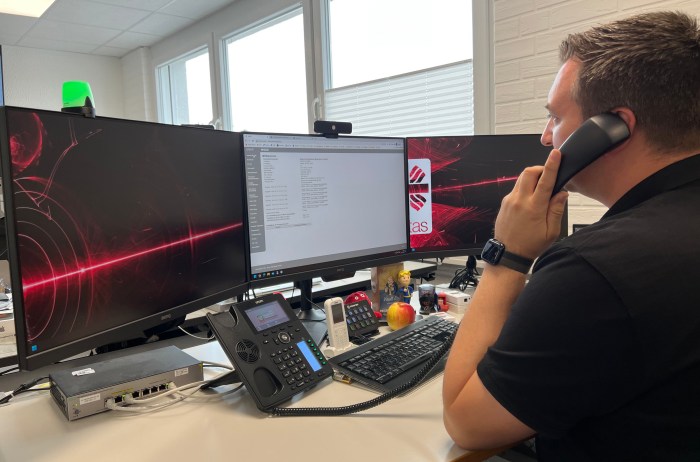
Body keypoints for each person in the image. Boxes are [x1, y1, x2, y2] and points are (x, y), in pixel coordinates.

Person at [442, 11, 700, 461]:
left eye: (555, 118)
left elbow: (467, 425)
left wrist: (508, 257)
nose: (546, 138)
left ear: (612, 129)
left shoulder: (598, 268)